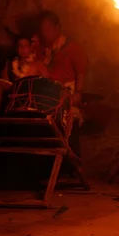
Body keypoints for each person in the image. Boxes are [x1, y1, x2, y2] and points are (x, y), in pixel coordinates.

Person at [38, 11, 88, 155]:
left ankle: (72, 165)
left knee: (69, 129)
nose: (44, 33)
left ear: (57, 28)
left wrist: (78, 93)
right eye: (42, 30)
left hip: (67, 94)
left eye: (47, 29)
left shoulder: (73, 47)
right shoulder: (44, 49)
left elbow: (80, 71)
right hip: (49, 97)